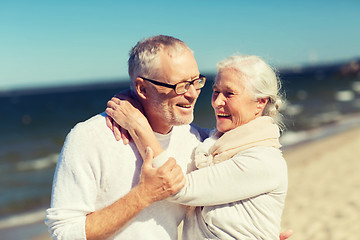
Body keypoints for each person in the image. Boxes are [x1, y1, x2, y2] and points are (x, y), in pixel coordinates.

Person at [106, 55, 288, 239]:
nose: (217, 102)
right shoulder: (214, 143)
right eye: (216, 92)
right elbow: (177, 131)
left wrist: (138, 125)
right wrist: (136, 97)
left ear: (260, 103)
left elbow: (177, 188)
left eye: (229, 94)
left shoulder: (264, 161)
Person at [45, 35, 209, 239]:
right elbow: (64, 233)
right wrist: (143, 195)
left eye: (196, 81)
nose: (193, 93)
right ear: (142, 88)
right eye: (181, 85)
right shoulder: (89, 137)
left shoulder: (197, 139)